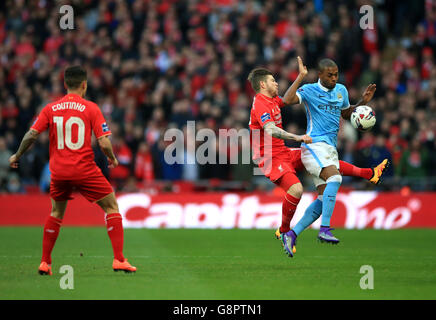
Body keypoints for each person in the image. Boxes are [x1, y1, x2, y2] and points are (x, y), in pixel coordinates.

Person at [248, 59, 389, 258]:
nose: (277, 83)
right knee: (301, 187)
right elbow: (271, 129)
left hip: (288, 151)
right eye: (273, 81)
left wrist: (362, 103)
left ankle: (369, 174)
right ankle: (287, 230)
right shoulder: (261, 103)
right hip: (271, 156)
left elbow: (287, 100)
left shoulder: (274, 100)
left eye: (336, 74)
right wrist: (298, 137)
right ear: (263, 84)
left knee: (325, 196)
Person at [9, 66, 136, 275]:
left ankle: (45, 262)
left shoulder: (50, 108)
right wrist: (112, 158)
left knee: (56, 212)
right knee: (112, 206)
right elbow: (104, 143)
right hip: (85, 169)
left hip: (58, 172)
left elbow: (32, 134)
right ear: (84, 85)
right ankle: (119, 259)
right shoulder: (91, 108)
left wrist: (17, 155)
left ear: (65, 84)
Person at [284, 58, 382, 247]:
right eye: (330, 75)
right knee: (335, 179)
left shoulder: (341, 91)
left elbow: (345, 114)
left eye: (336, 74)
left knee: (322, 202)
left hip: (329, 149)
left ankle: (292, 234)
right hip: (313, 145)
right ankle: (325, 229)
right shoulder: (310, 90)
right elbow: (287, 100)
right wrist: (300, 77)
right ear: (319, 75)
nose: (334, 78)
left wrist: (362, 102)